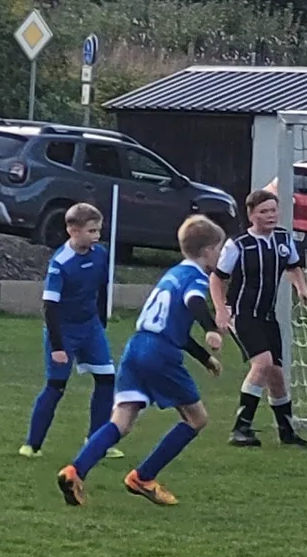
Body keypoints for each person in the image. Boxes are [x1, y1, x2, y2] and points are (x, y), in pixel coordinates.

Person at [56, 215, 227, 508]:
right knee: (197, 419)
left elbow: (174, 326)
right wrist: (211, 328)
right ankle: (143, 477)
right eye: (219, 249)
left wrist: (204, 357)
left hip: (136, 347)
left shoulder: (172, 274)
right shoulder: (196, 278)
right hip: (160, 354)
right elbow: (194, 302)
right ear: (208, 250)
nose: (220, 256)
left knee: (121, 421)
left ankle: (75, 471)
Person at [212, 189, 307, 449]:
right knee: (263, 363)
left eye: (273, 210)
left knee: (276, 374)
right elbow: (217, 279)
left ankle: (286, 431)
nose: (270, 215)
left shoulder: (283, 239)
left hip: (267, 316)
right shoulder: (238, 245)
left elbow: (293, 266)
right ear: (251, 215)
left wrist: (302, 288)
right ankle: (240, 428)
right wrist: (221, 309)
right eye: (263, 211)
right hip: (242, 314)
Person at [21, 203, 120, 460]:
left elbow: (102, 288)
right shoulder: (60, 263)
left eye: (98, 230)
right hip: (63, 332)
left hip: (91, 328)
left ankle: (97, 440)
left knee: (107, 379)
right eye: (91, 231)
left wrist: (100, 322)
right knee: (56, 386)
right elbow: (50, 306)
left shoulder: (101, 254)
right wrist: (57, 346)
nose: (97, 236)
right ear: (73, 231)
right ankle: (32, 445)